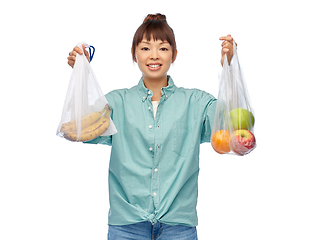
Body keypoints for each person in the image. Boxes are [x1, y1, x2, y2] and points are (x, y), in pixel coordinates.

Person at [67, 13, 235, 240]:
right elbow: (78, 129)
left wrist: (229, 68)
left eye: (163, 48)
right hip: (126, 225)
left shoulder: (196, 103)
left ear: (174, 55)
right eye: (145, 48)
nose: (154, 56)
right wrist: (81, 72)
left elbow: (232, 123)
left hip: (179, 226)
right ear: (134, 54)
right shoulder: (117, 103)